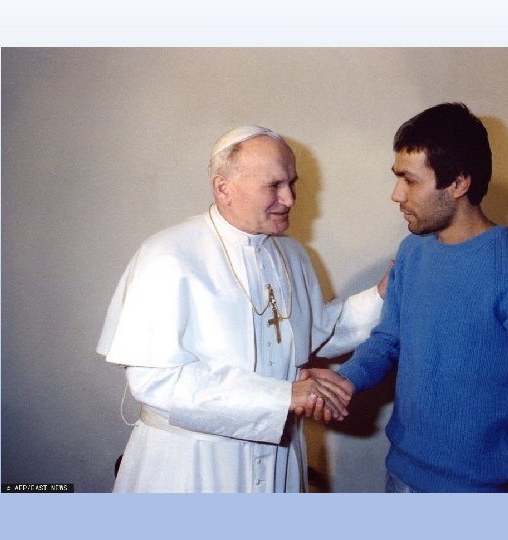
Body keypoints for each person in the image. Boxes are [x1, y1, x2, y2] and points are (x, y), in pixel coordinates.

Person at [96, 125, 385, 493]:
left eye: (291, 183)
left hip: (280, 458)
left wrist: (383, 294)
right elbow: (155, 381)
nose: (289, 199)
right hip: (192, 465)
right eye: (274, 185)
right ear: (223, 188)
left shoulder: (292, 253)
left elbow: (319, 332)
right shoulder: (167, 255)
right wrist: (283, 395)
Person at [312, 103, 508, 492]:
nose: (396, 194)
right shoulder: (412, 252)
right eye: (397, 177)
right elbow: (387, 341)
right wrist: (344, 381)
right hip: (400, 475)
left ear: (458, 183)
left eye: (410, 180)